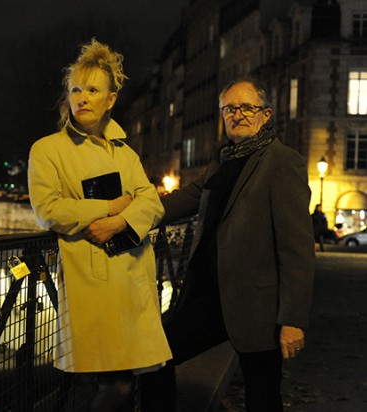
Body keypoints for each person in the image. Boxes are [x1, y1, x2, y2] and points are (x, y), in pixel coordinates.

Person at [27, 39, 172, 411]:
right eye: (76, 90)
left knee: (124, 385)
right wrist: (109, 206)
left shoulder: (124, 151)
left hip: (133, 280)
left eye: (92, 90)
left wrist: (118, 221)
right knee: (117, 385)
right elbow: (47, 210)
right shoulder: (47, 150)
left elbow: (152, 203)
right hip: (92, 283)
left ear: (111, 99)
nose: (82, 98)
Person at [156, 77, 315, 411]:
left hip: (259, 306)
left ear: (266, 114)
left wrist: (293, 319)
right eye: (229, 108)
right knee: (156, 355)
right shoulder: (224, 159)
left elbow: (296, 249)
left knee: (263, 395)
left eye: (247, 108)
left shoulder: (282, 161)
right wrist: (128, 212)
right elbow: (185, 199)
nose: (237, 114)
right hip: (211, 298)